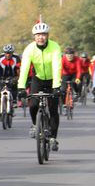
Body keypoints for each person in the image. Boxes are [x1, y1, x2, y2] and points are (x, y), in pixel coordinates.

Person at [17, 22, 62, 151]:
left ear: (47, 36)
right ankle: (35, 124)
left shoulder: (55, 47)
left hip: (53, 80)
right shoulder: (29, 49)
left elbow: (57, 67)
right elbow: (25, 68)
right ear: (34, 37)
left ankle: (53, 138)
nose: (40, 37)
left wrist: (57, 86)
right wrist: (21, 87)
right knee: (33, 105)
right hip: (38, 79)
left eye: (43, 35)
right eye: (38, 35)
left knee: (53, 109)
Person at [0, 44, 21, 120]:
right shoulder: (0, 58)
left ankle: (14, 101)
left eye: (10, 53)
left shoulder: (16, 58)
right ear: (4, 53)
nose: (8, 55)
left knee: (14, 87)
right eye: (6, 53)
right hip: (2, 77)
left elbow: (19, 69)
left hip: (13, 77)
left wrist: (18, 77)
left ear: (12, 53)